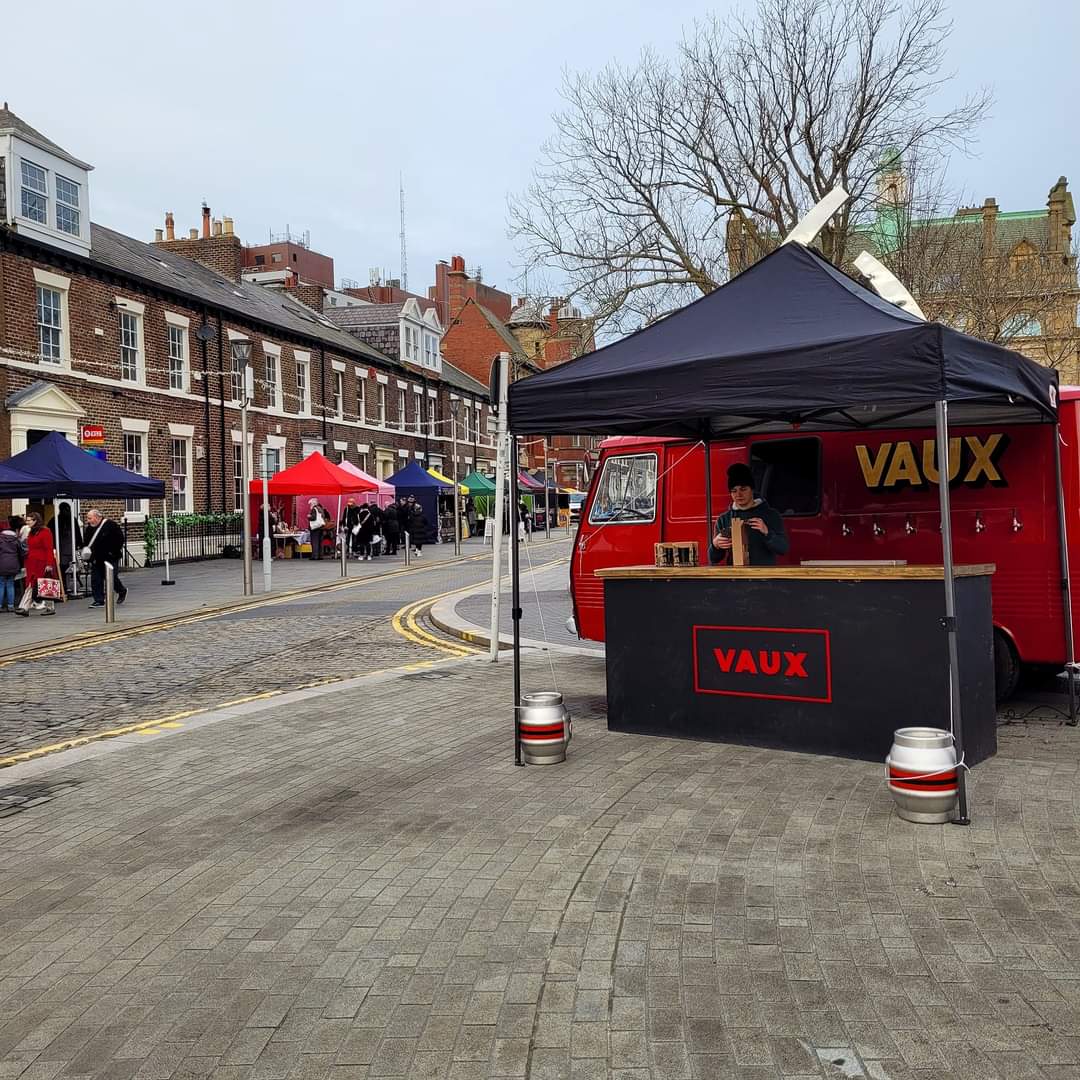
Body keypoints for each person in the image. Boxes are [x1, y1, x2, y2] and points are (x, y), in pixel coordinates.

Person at [709, 462, 789, 567]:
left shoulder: (771, 515)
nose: (738, 495)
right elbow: (713, 559)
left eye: (743, 489)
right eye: (734, 491)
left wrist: (767, 532)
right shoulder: (724, 519)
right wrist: (715, 545)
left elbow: (783, 549)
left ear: (752, 489)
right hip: (736, 579)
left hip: (764, 578)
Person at [83, 508, 128, 608]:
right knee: (96, 579)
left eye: (90, 518)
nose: (88, 520)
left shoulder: (111, 525)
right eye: (88, 518)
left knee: (111, 577)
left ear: (97, 517)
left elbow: (120, 539)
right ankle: (99, 600)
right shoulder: (89, 528)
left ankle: (121, 590)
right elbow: (86, 542)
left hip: (110, 557)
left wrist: (112, 552)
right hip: (96, 558)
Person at [18, 511, 58, 616]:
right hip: (32, 562)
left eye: (29, 520)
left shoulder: (45, 531)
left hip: (43, 562)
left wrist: (49, 564)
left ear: (35, 520)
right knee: (31, 584)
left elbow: (49, 548)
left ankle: (49, 607)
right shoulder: (31, 532)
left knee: (45, 584)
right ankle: (24, 608)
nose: (27, 522)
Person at [0, 519, 22, 613]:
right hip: (13, 564)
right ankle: (11, 606)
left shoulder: (0, 539)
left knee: (1, 584)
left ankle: (0, 605)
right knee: (10, 584)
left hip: (1, 564)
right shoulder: (16, 539)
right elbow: (21, 552)